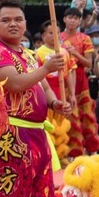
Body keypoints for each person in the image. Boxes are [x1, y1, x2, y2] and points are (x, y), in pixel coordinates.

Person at [0, 0, 80, 197]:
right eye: (6, 20)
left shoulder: (28, 54)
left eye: (18, 19)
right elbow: (15, 84)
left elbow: (43, 86)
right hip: (13, 132)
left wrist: (55, 103)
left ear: (25, 23)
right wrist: (46, 69)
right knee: (13, 190)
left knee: (42, 193)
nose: (13, 24)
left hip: (37, 133)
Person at [60, 7, 99, 157]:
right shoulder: (58, 38)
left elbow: (89, 63)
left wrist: (75, 53)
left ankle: (92, 148)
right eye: (70, 17)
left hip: (81, 79)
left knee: (86, 114)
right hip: (63, 78)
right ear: (64, 19)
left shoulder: (85, 39)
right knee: (67, 114)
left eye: (76, 18)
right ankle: (70, 150)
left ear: (80, 21)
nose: (72, 21)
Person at [35, 21, 77, 162]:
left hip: (62, 91)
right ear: (43, 35)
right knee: (48, 125)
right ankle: (48, 156)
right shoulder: (38, 53)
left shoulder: (64, 52)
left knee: (62, 125)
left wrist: (72, 94)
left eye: (57, 32)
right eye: (51, 32)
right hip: (46, 92)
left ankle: (61, 155)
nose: (55, 35)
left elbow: (69, 73)